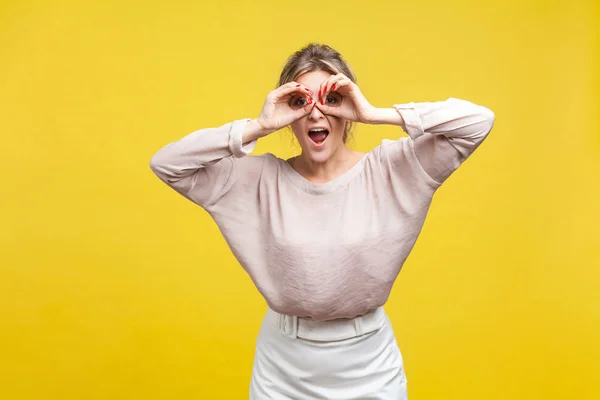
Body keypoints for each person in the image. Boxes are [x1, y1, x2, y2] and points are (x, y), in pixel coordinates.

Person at [149, 43, 495, 399]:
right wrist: (258, 126)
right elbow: (167, 163)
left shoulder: (394, 168)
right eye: (300, 102)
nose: (316, 114)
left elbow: (478, 122)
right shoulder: (257, 179)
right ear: (286, 111)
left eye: (330, 98)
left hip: (369, 363)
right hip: (283, 366)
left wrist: (375, 113)